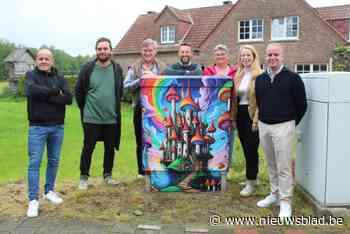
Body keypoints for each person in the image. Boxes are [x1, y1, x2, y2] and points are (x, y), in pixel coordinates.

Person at [253, 43, 307, 218]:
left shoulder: (293, 78)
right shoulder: (260, 79)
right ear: (265, 56)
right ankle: (274, 194)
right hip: (264, 125)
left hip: (284, 126)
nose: (272, 58)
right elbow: (260, 102)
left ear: (282, 56)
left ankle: (285, 202)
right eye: (269, 55)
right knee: (271, 164)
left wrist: (290, 123)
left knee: (283, 166)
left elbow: (302, 105)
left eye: (275, 54)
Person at [25, 48, 73, 217]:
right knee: (34, 163)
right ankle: (33, 200)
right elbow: (31, 91)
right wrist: (54, 92)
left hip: (57, 127)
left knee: (53, 160)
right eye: (40, 58)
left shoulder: (60, 78)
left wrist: (44, 94)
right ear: (36, 60)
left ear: (52, 61)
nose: (43, 61)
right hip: (37, 127)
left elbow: (68, 99)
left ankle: (49, 191)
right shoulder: (30, 76)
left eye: (47, 59)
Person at [75, 37, 123, 189]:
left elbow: (119, 91)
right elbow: (79, 91)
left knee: (110, 148)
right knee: (88, 147)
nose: (102, 51)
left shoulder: (117, 69)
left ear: (111, 50)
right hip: (91, 117)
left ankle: (107, 175)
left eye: (105, 48)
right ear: (96, 51)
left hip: (111, 117)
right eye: (99, 49)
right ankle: (83, 177)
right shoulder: (87, 68)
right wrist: (86, 109)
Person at [124, 38, 166, 178]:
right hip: (140, 108)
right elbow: (125, 87)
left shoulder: (162, 67)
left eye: (151, 50)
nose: (148, 53)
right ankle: (141, 171)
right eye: (145, 50)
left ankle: (157, 169)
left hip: (159, 110)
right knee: (140, 140)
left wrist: (155, 79)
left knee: (158, 140)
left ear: (155, 51)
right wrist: (141, 80)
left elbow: (169, 85)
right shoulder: (134, 68)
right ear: (141, 51)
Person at [234, 45, 263, 197]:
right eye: (242, 55)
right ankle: (253, 177)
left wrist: (256, 120)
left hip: (252, 115)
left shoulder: (259, 75)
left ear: (254, 56)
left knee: (252, 148)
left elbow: (261, 101)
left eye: (248, 55)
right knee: (246, 148)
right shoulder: (239, 74)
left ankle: (250, 183)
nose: (245, 58)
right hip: (240, 114)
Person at [203, 44, 237, 170]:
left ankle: (225, 169)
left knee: (229, 139)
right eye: (218, 54)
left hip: (230, 111)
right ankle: (212, 167)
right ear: (214, 57)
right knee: (213, 139)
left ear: (227, 56)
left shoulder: (235, 71)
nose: (220, 56)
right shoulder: (208, 71)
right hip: (213, 112)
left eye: (223, 54)